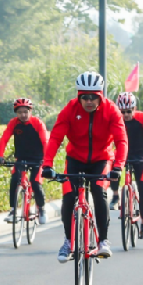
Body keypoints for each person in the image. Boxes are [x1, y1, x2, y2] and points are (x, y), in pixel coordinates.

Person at [41, 72, 126, 262]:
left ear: (100, 96)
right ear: (79, 96)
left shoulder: (111, 110)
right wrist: (47, 165)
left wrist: (118, 167)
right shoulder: (69, 110)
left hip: (101, 158)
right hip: (75, 158)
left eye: (93, 97)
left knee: (98, 191)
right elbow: (55, 138)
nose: (89, 101)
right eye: (84, 97)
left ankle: (103, 241)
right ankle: (68, 241)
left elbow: (121, 141)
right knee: (69, 197)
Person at [110, 93, 143, 239]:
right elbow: (109, 137)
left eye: (129, 111)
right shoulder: (116, 119)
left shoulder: (142, 118)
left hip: (139, 155)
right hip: (122, 154)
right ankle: (116, 195)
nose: (126, 115)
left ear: (134, 109)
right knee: (113, 170)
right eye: (122, 112)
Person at [0, 98, 48, 226]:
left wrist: (47, 161)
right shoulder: (13, 123)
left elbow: (45, 142)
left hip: (38, 159)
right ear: (16, 113)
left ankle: (41, 209)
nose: (23, 115)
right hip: (21, 158)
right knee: (15, 179)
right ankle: (13, 211)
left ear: (30, 111)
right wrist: (0, 156)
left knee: (35, 183)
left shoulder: (37, 123)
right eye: (20, 112)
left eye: (25, 112)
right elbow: (4, 139)